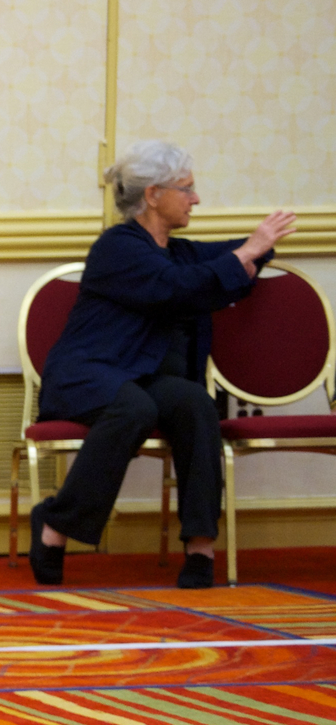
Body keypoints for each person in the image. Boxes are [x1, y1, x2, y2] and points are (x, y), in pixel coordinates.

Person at [29, 142, 295, 589]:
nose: (196, 199)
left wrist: (257, 247)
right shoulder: (118, 247)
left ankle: (200, 547)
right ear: (153, 195)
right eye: (186, 189)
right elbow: (176, 288)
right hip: (86, 372)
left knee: (194, 402)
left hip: (136, 374)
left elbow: (228, 256)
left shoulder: (176, 249)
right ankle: (55, 524)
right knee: (133, 408)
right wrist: (247, 253)